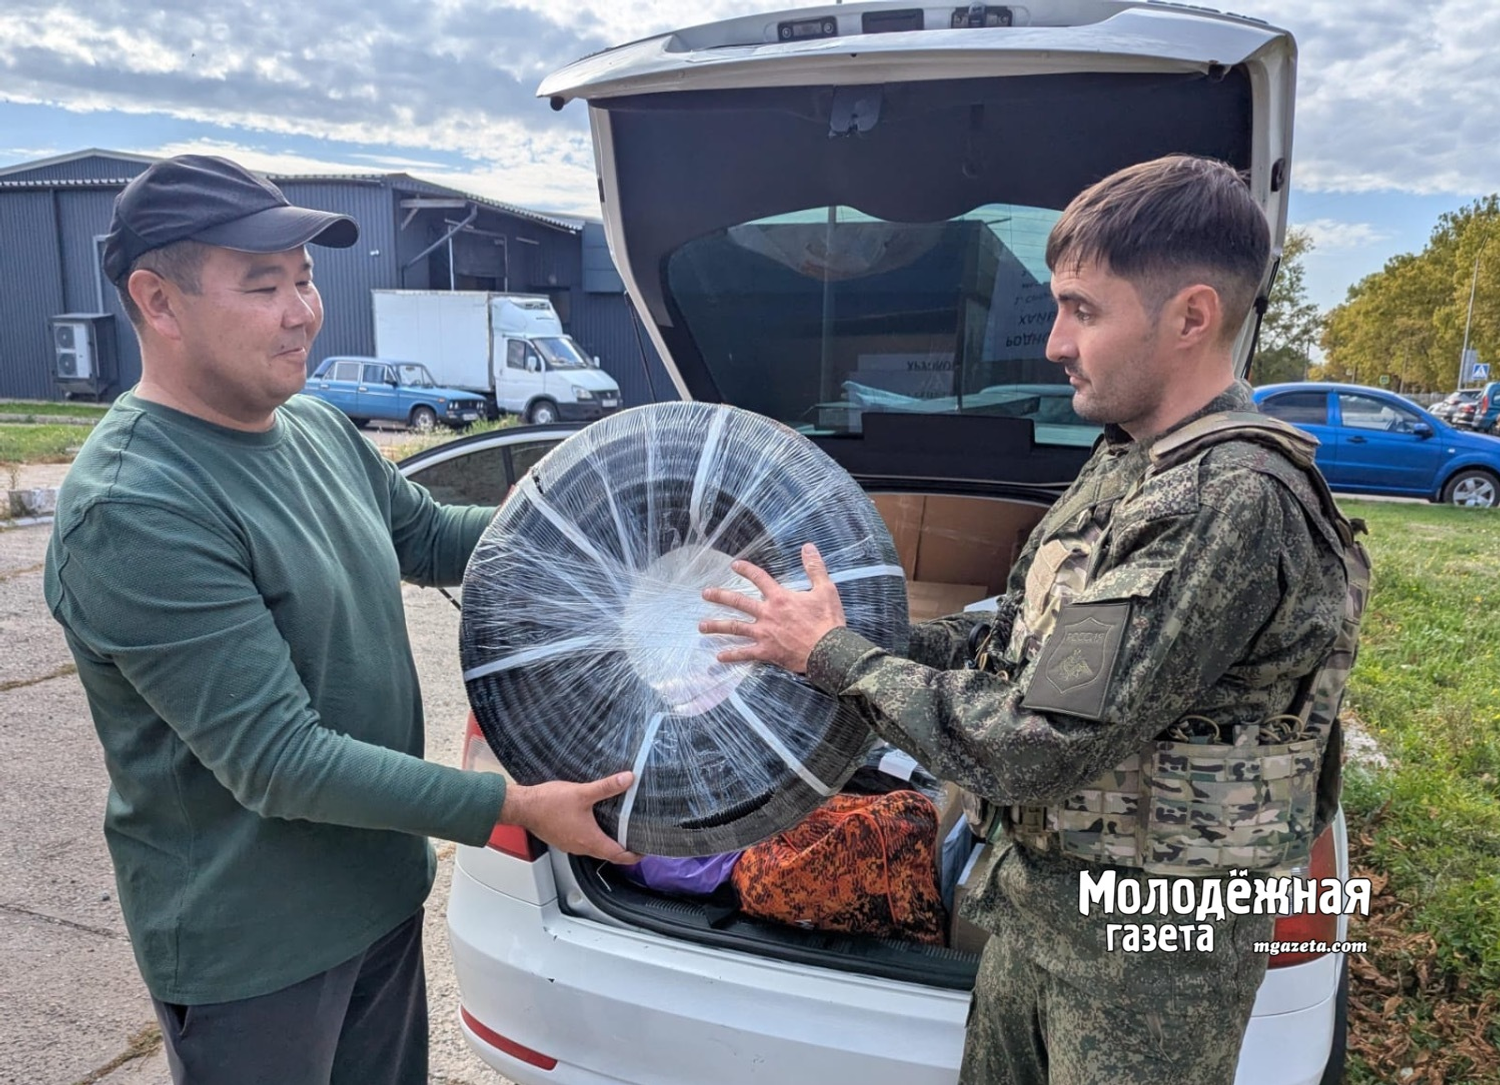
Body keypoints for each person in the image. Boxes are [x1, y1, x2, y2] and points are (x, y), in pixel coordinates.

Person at [701, 155, 1349, 1083]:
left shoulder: (1229, 501)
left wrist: (839, 656)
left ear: (1192, 316)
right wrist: (842, 630)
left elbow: (1038, 740)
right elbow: (1021, 641)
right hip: (1044, 905)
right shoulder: (1134, 461)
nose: (1052, 342)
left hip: (1148, 957)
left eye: (1083, 310)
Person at [43, 155, 638, 1085]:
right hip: (255, 948)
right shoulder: (135, 508)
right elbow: (279, 759)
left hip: (377, 893)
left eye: (307, 278)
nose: (303, 310)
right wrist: (512, 809)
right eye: (264, 283)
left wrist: (594, 546)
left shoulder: (314, 428)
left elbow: (432, 535)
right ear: (158, 301)